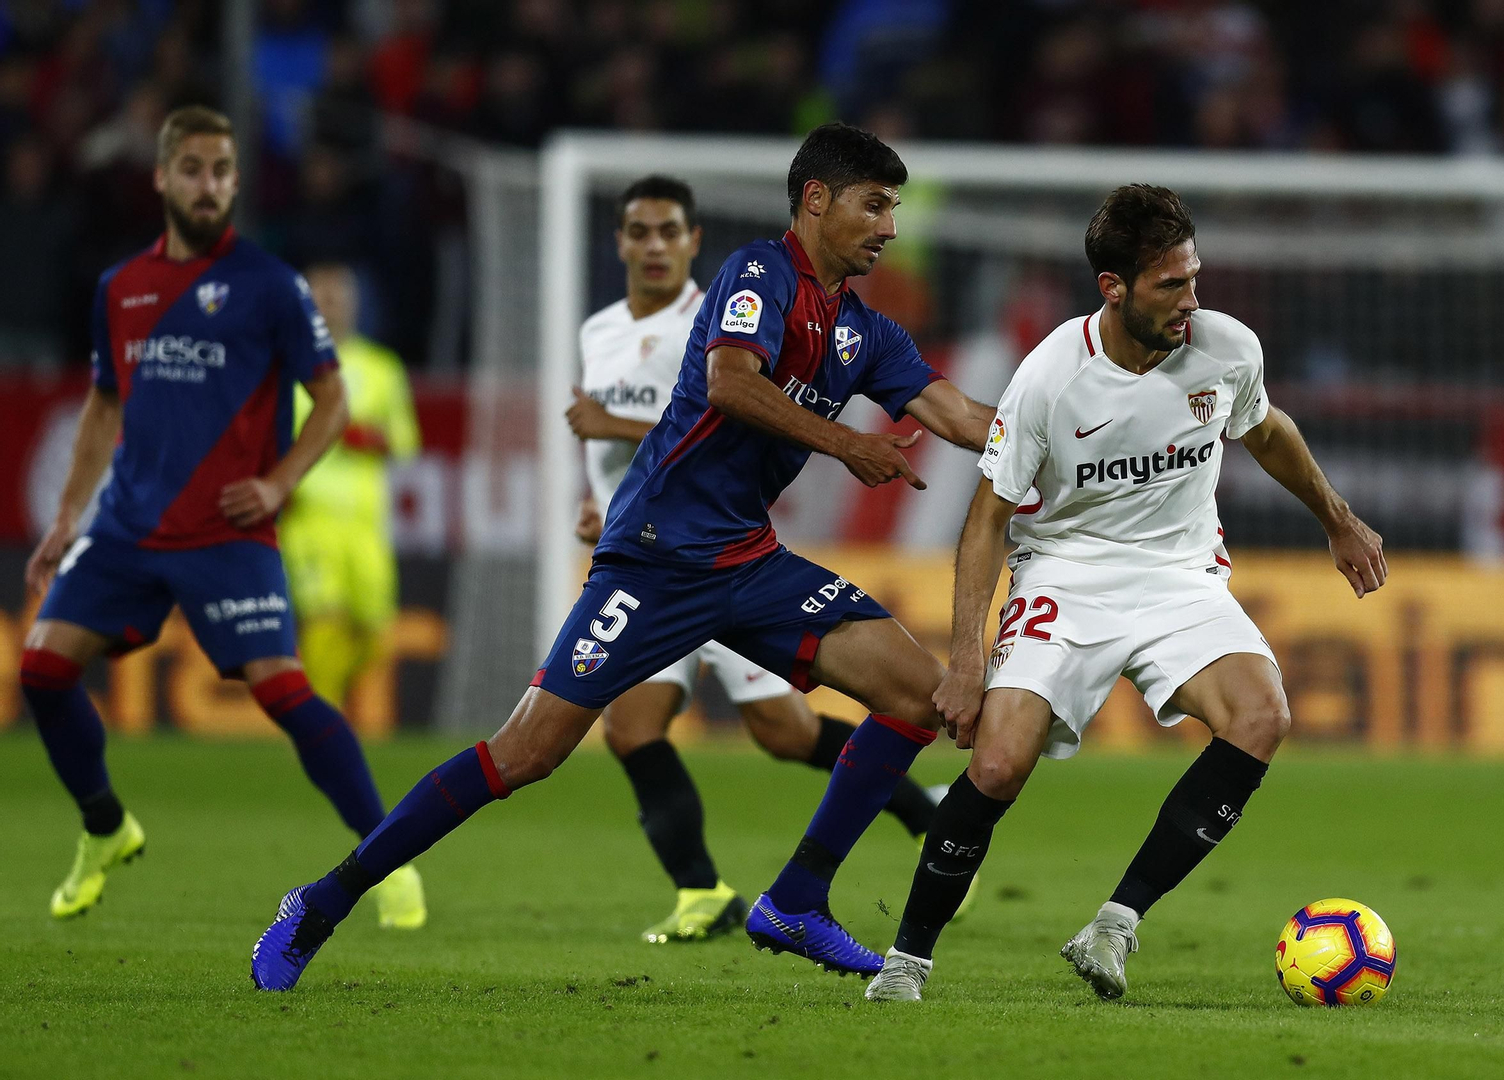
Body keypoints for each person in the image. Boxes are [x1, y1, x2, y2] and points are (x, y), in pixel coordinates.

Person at [250, 122, 995, 991]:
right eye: (875, 205)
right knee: (525, 754)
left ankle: (795, 900)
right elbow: (729, 381)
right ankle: (321, 902)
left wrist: (1073, 437)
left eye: (895, 209)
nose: (890, 228)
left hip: (749, 562)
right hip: (653, 558)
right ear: (816, 200)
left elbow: (966, 419)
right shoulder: (759, 274)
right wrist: (844, 443)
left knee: (915, 695)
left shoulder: (865, 331)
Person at [863, 184, 1388, 1003]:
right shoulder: (1047, 380)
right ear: (1114, 289)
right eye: (1170, 286)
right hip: (1065, 572)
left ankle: (1115, 923)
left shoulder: (1226, 348)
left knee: (1263, 717)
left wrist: (1339, 519)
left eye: (1194, 278)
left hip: (1179, 572)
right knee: (999, 763)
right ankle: (905, 963)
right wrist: (964, 662)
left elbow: (1267, 428)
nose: (1192, 301)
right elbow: (985, 520)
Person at [19, 106, 425, 930]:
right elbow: (103, 406)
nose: (211, 186)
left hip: (228, 531)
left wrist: (277, 485)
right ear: (163, 177)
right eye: (195, 169)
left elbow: (334, 401)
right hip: (128, 524)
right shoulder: (121, 288)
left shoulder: (270, 286)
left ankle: (386, 857)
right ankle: (105, 826)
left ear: (237, 182)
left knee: (281, 690)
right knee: (41, 671)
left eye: (224, 171)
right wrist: (67, 516)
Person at [567, 174, 945, 945]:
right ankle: (701, 890)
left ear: (691, 241)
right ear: (620, 243)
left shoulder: (732, 305)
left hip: (727, 554)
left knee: (784, 732)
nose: (653, 246)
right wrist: (600, 503)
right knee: (632, 730)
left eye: (668, 230)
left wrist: (607, 422)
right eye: (638, 232)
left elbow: (710, 408)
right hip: (646, 556)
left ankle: (920, 815)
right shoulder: (597, 330)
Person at [278, 262, 420, 713]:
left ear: (355, 304)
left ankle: (317, 711)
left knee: (374, 634)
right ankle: (322, 722)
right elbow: (265, 439)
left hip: (365, 524)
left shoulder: (381, 368)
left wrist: (365, 437)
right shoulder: (284, 368)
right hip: (310, 519)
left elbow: (404, 442)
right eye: (320, 297)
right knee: (323, 620)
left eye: (337, 296)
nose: (329, 305)